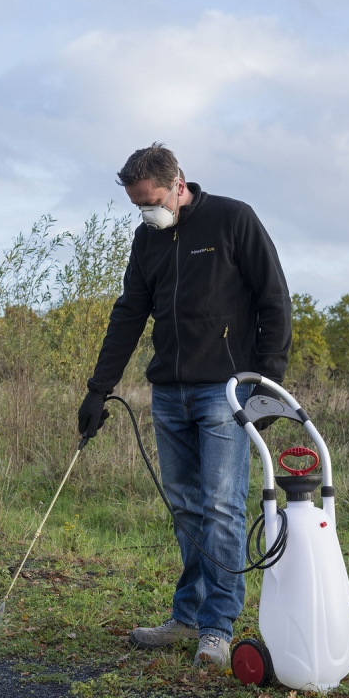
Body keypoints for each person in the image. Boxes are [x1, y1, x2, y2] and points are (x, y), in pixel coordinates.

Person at [78, 143, 292, 668]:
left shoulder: (232, 220)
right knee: (185, 509)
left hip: (225, 392)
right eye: (136, 205)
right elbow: (129, 311)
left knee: (220, 507)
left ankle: (217, 628)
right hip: (168, 394)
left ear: (177, 185)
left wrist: (265, 388)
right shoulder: (146, 238)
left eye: (150, 200)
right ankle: (188, 616)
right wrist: (98, 388)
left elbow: (274, 301)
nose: (144, 211)